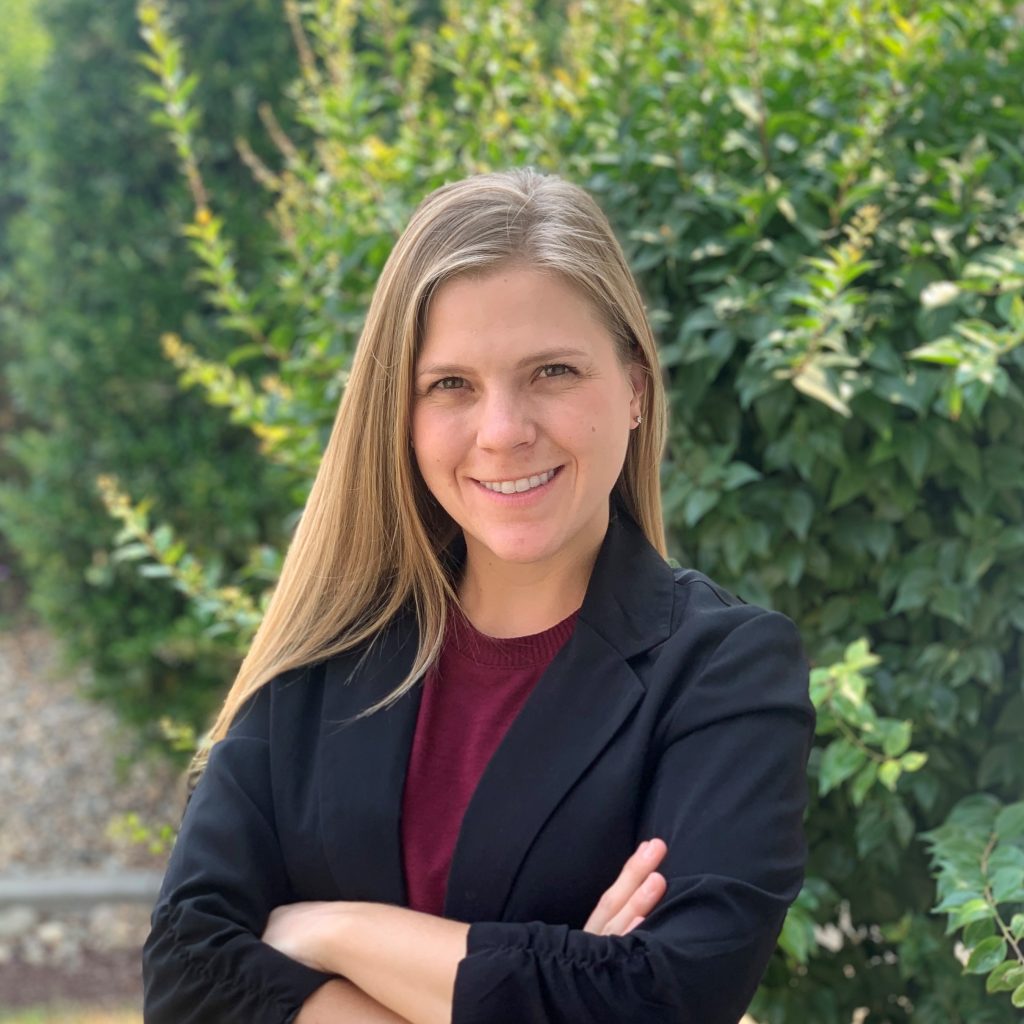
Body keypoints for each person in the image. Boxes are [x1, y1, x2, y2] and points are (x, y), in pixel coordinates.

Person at [142, 166, 815, 1024]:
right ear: (403, 413)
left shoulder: (726, 672)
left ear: (636, 389)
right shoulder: (321, 657)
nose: (504, 431)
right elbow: (186, 974)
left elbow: (666, 998)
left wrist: (333, 930)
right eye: (451, 384)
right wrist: (562, 980)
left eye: (553, 372)